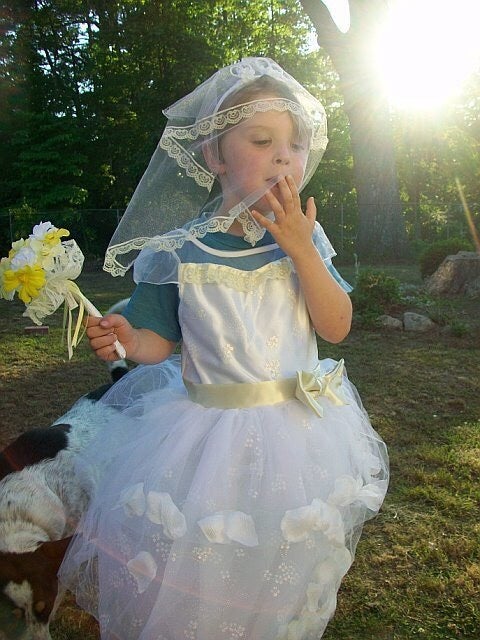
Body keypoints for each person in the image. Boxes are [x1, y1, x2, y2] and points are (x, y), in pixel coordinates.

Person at [59, 57, 388, 640]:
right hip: (205, 437)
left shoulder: (305, 240)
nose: (285, 156)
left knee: (277, 547)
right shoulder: (177, 251)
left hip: (298, 434)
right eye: (262, 141)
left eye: (296, 144)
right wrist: (130, 338)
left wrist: (303, 251)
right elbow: (159, 340)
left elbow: (335, 326)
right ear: (214, 155)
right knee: (202, 555)